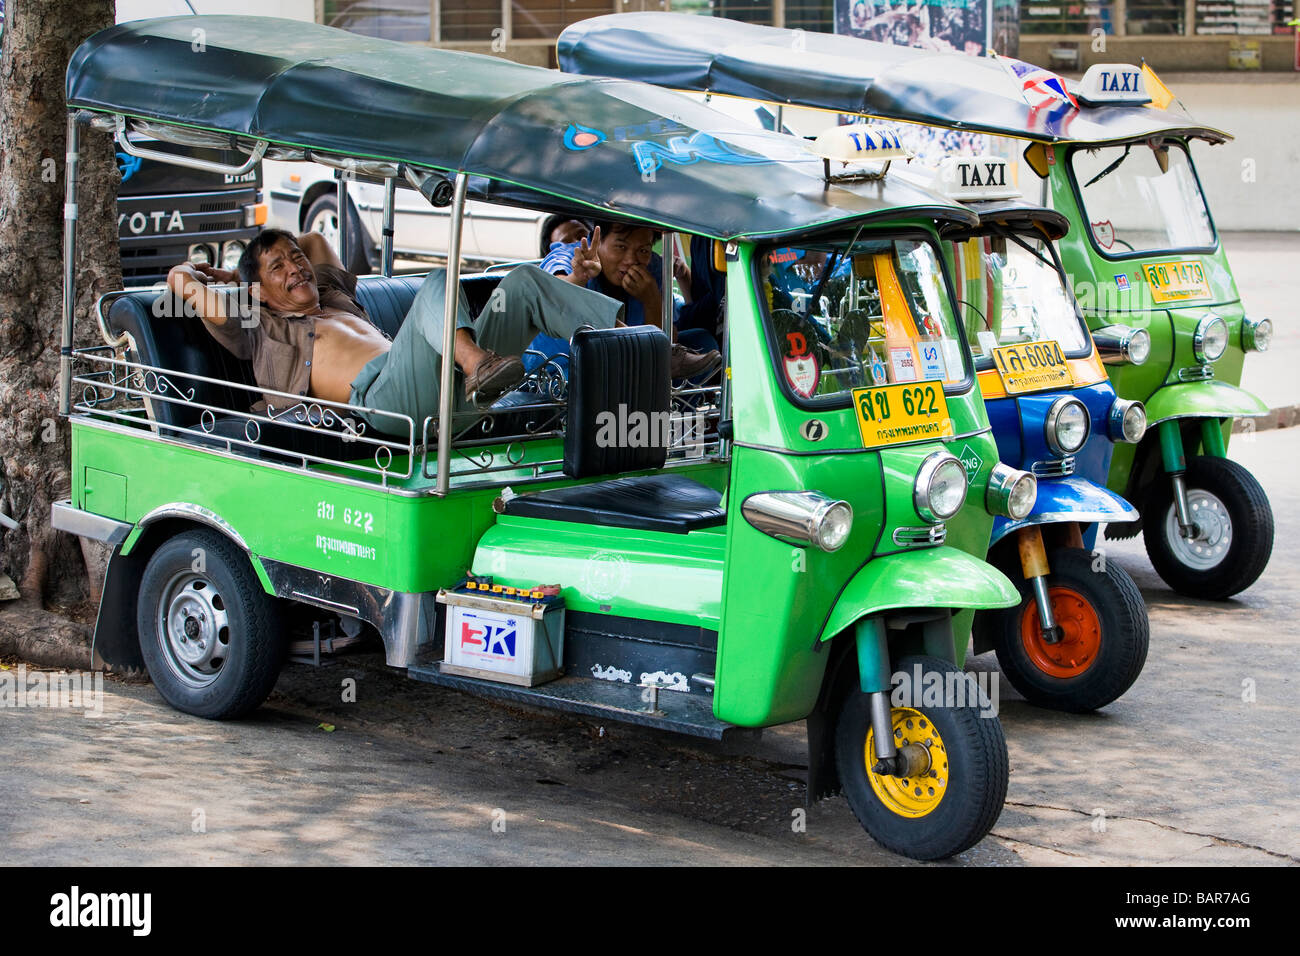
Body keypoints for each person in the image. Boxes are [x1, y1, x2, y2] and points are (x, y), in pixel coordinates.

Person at [165, 229, 624, 435]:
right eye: (278, 267)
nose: (296, 267)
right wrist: (214, 276)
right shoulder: (259, 325)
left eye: (294, 260)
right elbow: (185, 288)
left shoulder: (331, 296)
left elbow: (314, 241)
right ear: (259, 290)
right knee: (438, 281)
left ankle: (641, 346)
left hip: (446, 388)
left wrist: (276, 256)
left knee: (522, 282)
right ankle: (476, 362)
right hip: (385, 404)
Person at [542, 221, 722, 378]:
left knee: (702, 341)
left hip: (626, 365)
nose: (631, 260)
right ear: (597, 240)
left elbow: (668, 346)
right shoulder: (575, 255)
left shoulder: (653, 267)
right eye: (620, 247)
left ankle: (662, 413)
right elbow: (554, 290)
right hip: (565, 368)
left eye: (643, 250)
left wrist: (651, 299)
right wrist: (577, 277)